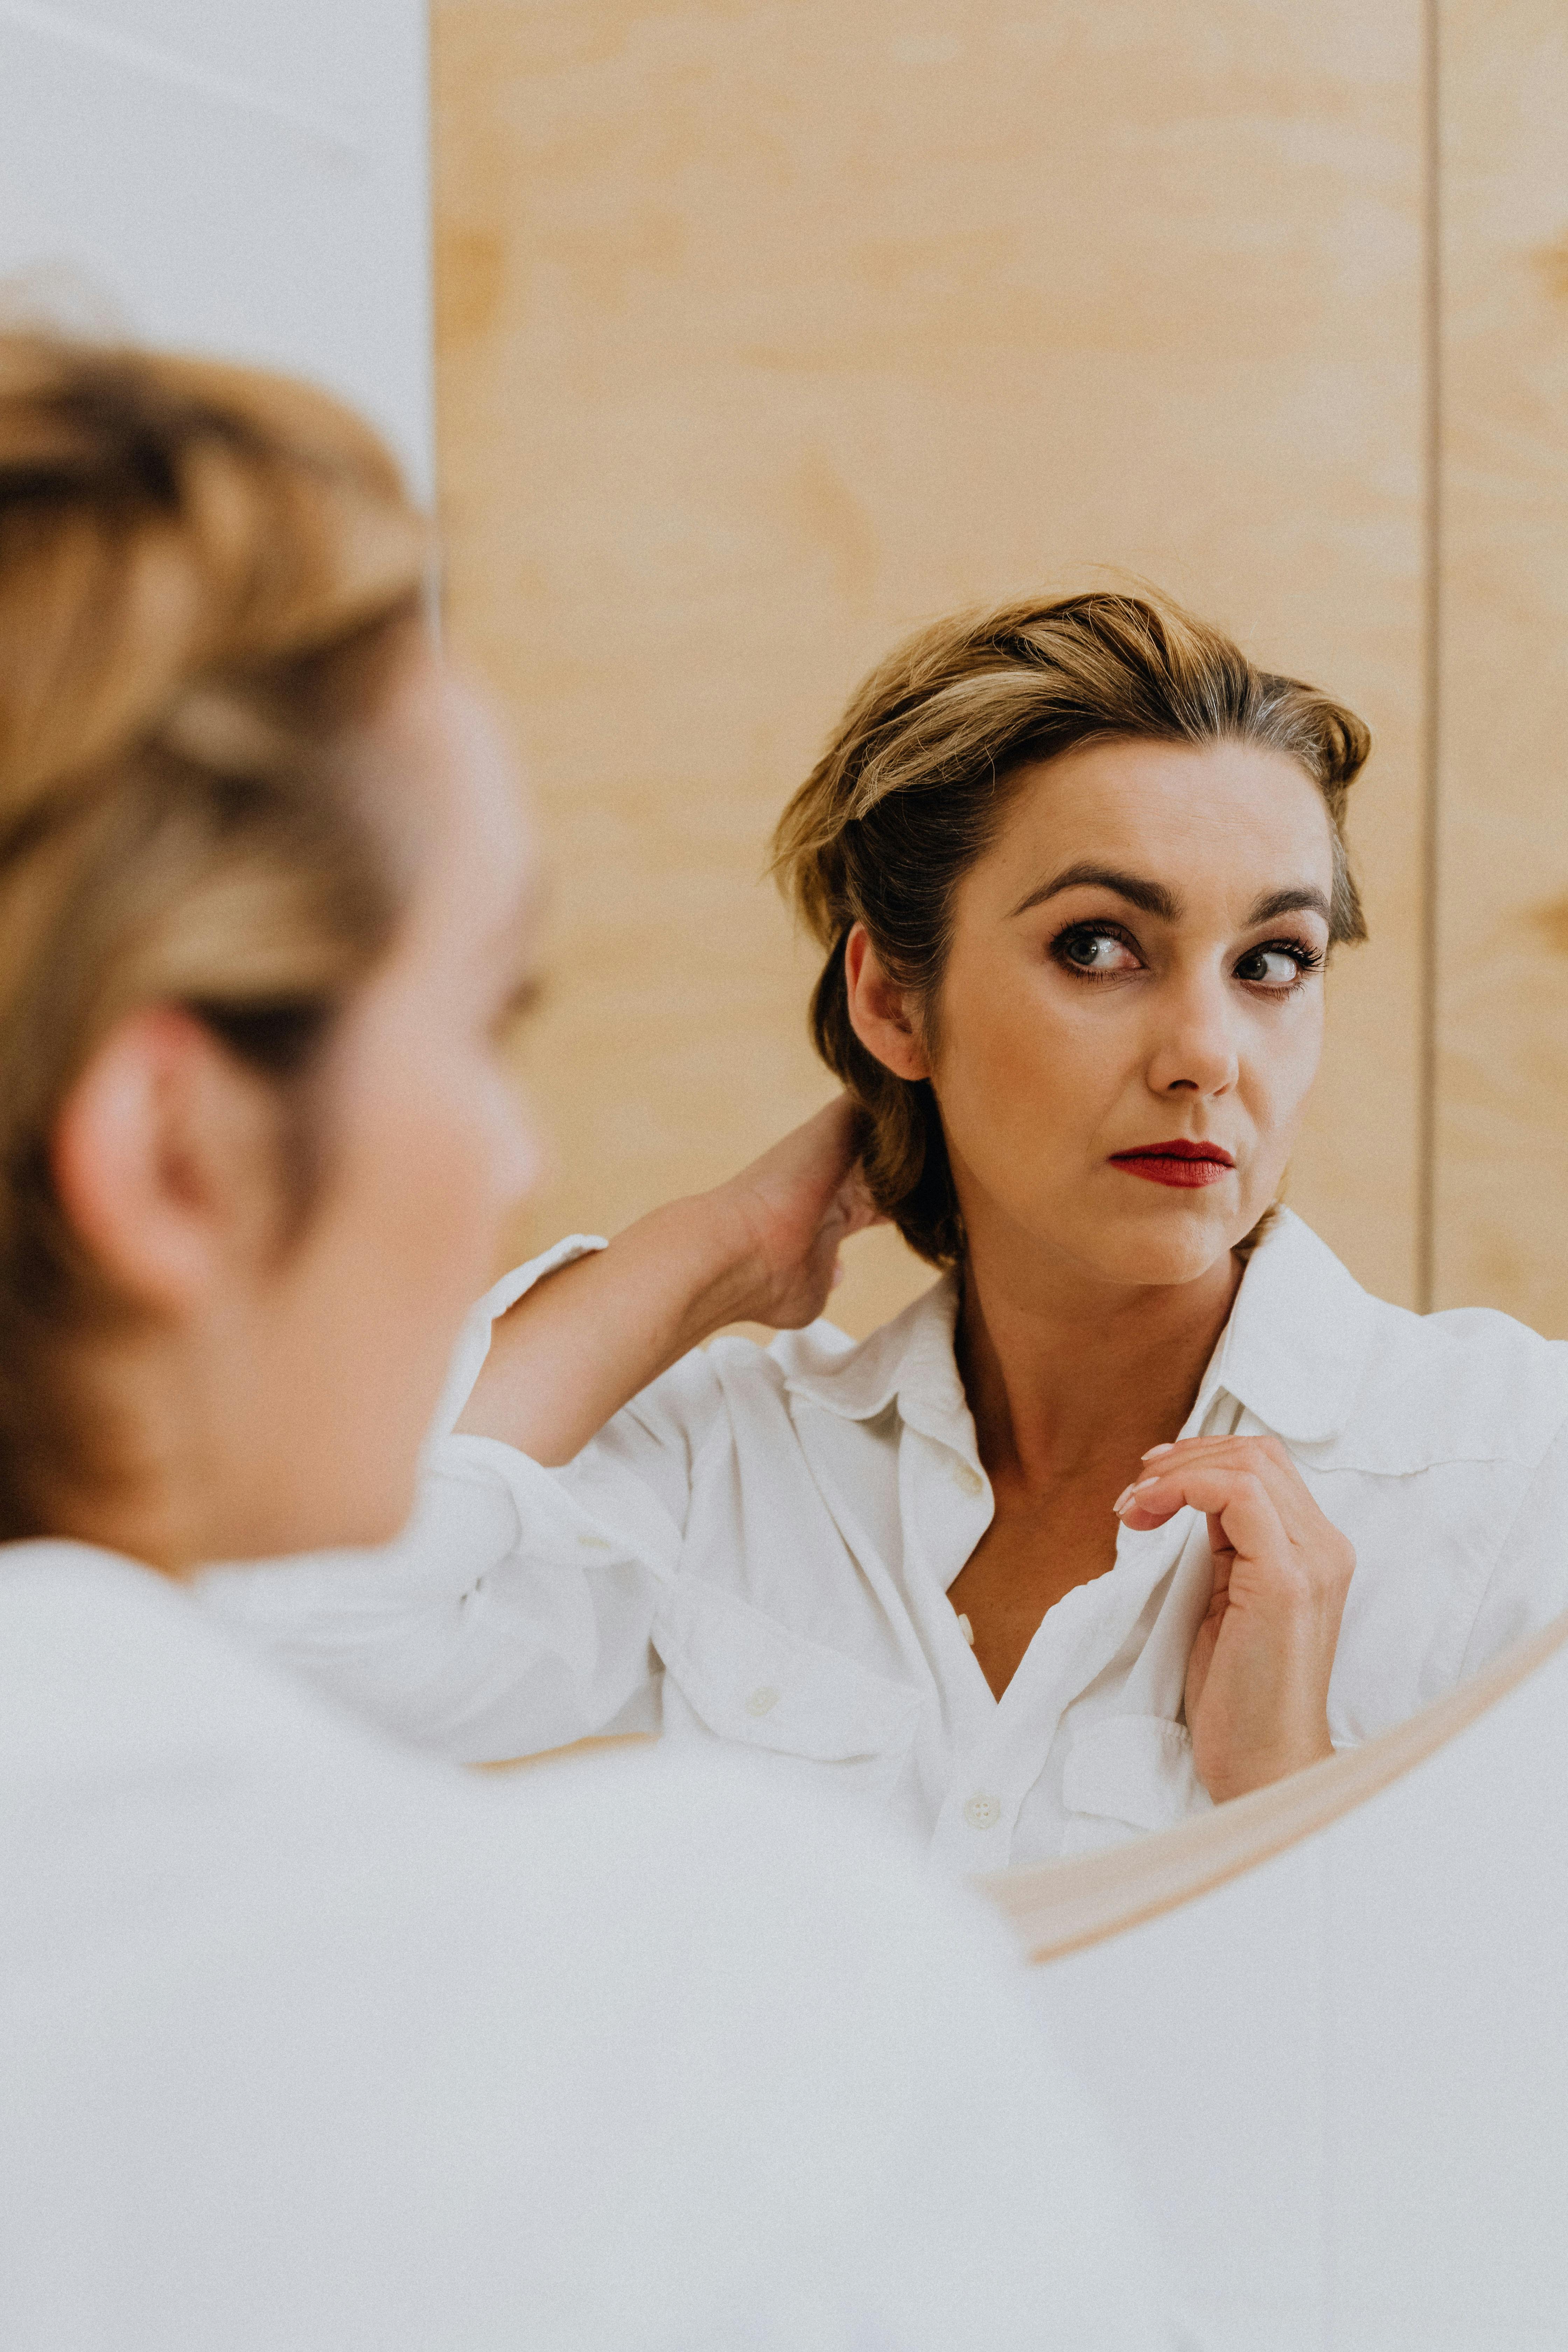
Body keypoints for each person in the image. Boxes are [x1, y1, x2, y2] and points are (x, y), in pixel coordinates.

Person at [0, 331, 1183, 2351]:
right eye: (479, 1018)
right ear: (174, 1155)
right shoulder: (703, 2008)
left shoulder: (1492, 1448)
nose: (514, 1149)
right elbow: (346, 1604)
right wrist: (702, 1261)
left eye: (1280, 958)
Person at [201, 603, 1568, 1872]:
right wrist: (697, 1261)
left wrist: (1288, 1786)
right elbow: (278, 1631)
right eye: (1098, 947)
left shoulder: (1508, 1478)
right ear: (891, 1002)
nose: (1208, 1054)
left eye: (1273, 961)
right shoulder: (736, 1473)